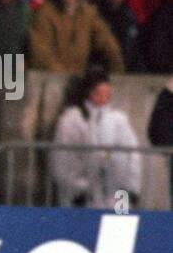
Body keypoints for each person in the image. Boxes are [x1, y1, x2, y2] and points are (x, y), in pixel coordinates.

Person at [50, 70, 142, 209]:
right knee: (84, 229)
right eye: (98, 93)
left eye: (106, 94)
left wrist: (132, 188)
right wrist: (78, 191)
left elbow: (132, 156)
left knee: (119, 227)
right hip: (85, 199)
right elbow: (64, 161)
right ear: (88, 92)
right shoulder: (72, 120)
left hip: (117, 196)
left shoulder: (118, 120)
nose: (103, 99)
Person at [28, 0, 125, 75]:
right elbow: (40, 53)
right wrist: (64, 76)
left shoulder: (88, 14)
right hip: (51, 80)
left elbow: (109, 45)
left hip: (78, 80)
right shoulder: (44, 13)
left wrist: (118, 75)